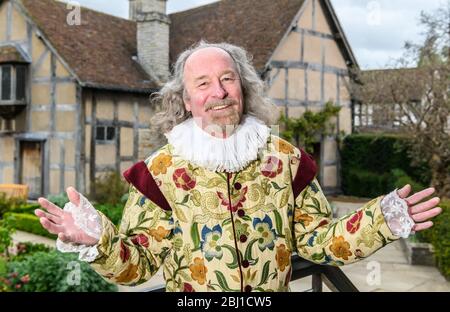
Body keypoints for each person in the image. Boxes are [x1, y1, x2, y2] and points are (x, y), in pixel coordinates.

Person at [35, 41, 442, 292]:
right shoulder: (157, 173)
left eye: (228, 79)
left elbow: (320, 241)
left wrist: (382, 220)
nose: (219, 92)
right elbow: (137, 268)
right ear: (186, 100)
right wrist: (97, 242)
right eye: (203, 84)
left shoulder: (286, 159)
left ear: (244, 88)